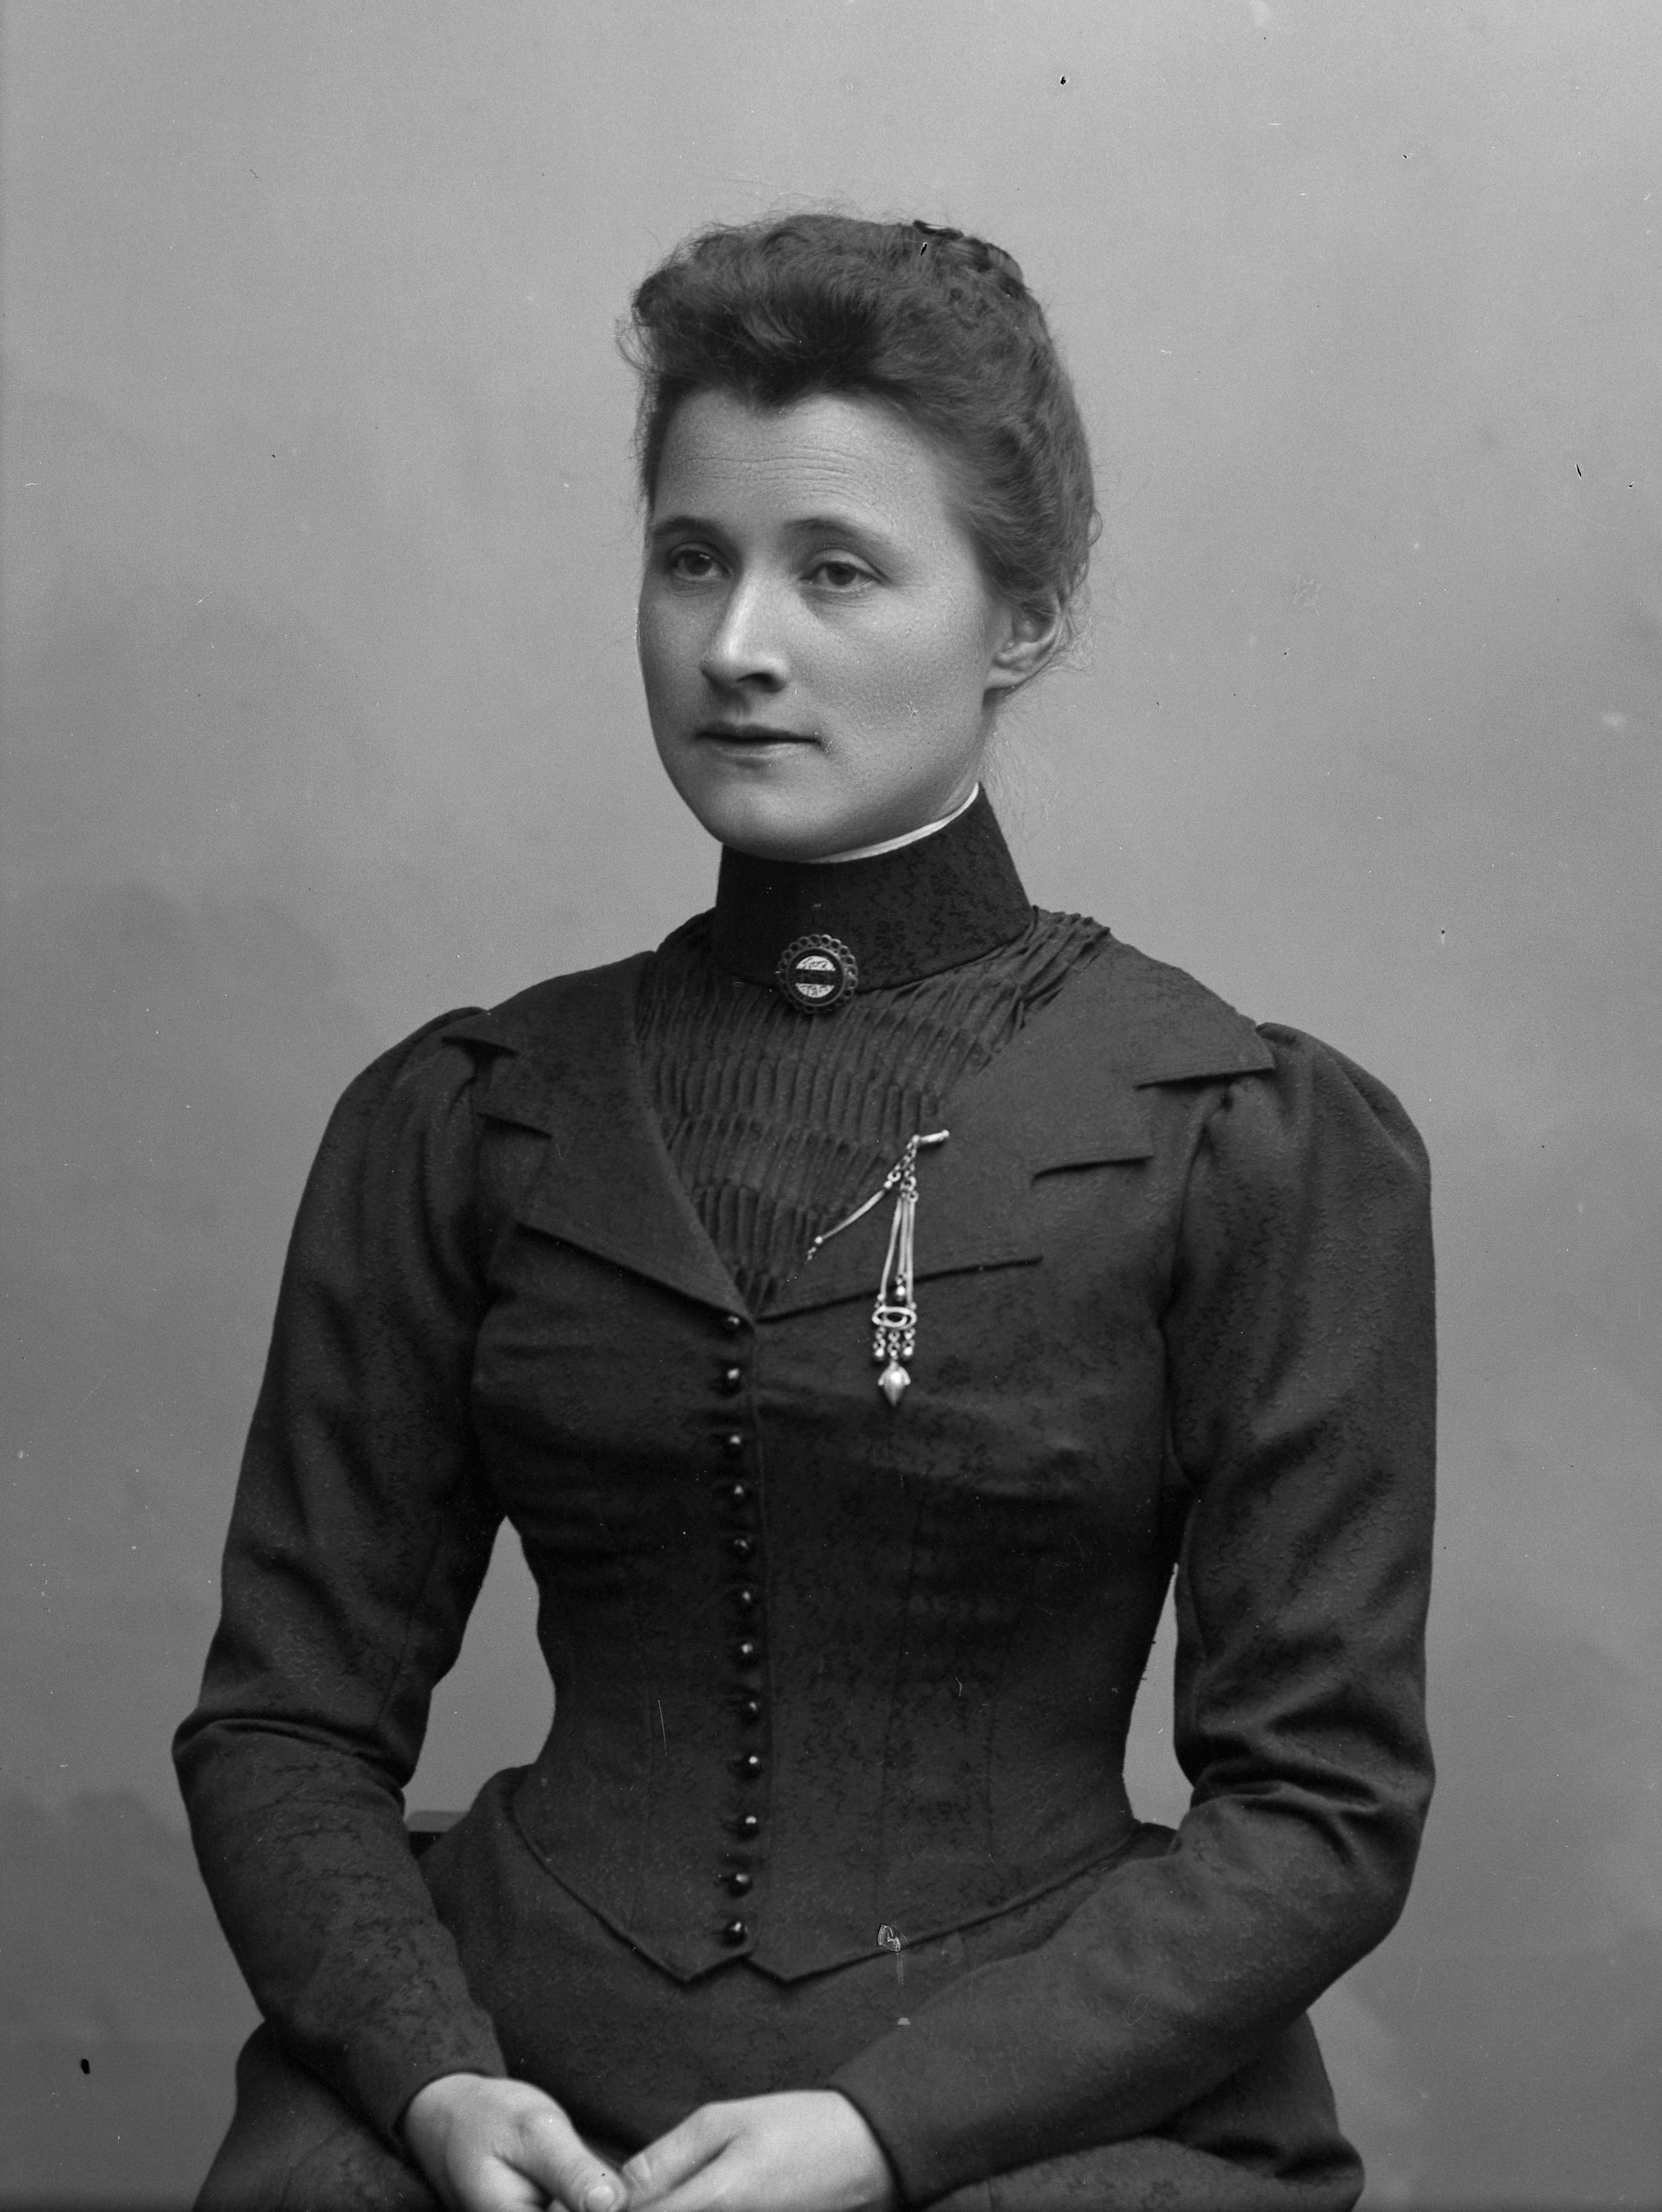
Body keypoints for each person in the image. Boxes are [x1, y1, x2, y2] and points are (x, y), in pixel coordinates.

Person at [176, 213, 1436, 2212]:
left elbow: (1323, 1804)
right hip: (508, 2090)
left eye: (837, 570)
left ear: (1020, 620)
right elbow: (284, 1723)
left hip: (1038, 2119)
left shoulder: (1242, 1137)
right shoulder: (466, 1118)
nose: (738, 645)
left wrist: (882, 2135)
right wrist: (432, 2084)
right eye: (693, 559)